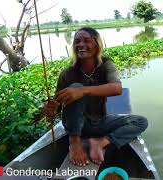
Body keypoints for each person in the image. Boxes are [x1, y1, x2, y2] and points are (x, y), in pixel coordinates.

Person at [44, 27, 148, 167]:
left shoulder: (105, 64)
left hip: (99, 122)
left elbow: (116, 88)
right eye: (77, 41)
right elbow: (57, 106)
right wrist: (50, 110)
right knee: (75, 87)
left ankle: (100, 142)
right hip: (75, 127)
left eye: (87, 40)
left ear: (97, 44)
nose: (81, 44)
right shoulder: (67, 73)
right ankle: (75, 143)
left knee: (141, 122)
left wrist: (83, 91)